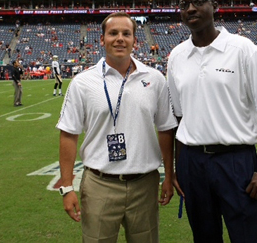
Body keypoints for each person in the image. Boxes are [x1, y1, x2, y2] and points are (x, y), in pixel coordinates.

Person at [167, 0, 257, 243]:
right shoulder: (176, 56)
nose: (191, 8)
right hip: (193, 162)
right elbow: (179, 116)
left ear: (214, 5)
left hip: (235, 161)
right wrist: (178, 169)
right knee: (204, 237)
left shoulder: (243, 49)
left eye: (199, 1)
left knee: (247, 237)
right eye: (184, 5)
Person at [56, 12, 177, 242]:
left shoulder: (154, 79)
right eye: (113, 33)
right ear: (102, 40)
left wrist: (168, 176)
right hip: (99, 184)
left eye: (126, 34)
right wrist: (67, 187)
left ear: (134, 41)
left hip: (144, 184)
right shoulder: (83, 82)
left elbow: (165, 129)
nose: (120, 38)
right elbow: (68, 135)